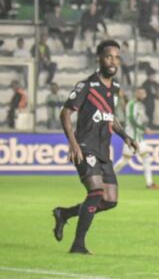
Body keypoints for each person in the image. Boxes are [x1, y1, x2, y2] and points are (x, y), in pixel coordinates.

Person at [51, 40, 138, 254]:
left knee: (110, 200)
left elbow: (110, 117)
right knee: (96, 192)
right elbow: (65, 113)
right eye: (108, 56)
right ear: (98, 58)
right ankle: (78, 244)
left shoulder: (115, 88)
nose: (113, 61)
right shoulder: (86, 86)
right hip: (85, 147)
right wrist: (73, 144)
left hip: (103, 151)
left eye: (117, 57)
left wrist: (125, 136)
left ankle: (64, 214)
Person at [113, 87, 159, 189]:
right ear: (136, 94)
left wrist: (144, 126)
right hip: (131, 137)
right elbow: (132, 119)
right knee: (124, 160)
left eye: (144, 93)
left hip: (139, 137)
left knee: (146, 158)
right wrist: (144, 128)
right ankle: (108, 178)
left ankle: (149, 183)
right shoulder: (132, 104)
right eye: (141, 93)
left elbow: (140, 119)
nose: (143, 95)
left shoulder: (140, 105)